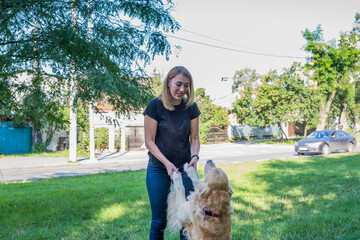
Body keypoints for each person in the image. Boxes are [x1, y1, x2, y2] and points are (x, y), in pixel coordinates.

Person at [143, 66, 201, 240]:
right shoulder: (155, 106)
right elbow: (149, 142)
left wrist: (194, 157)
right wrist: (167, 163)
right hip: (158, 168)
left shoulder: (191, 108)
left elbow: (195, 139)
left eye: (186, 85)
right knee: (159, 221)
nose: (182, 89)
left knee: (187, 220)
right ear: (168, 82)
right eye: (178, 84)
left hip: (184, 168)